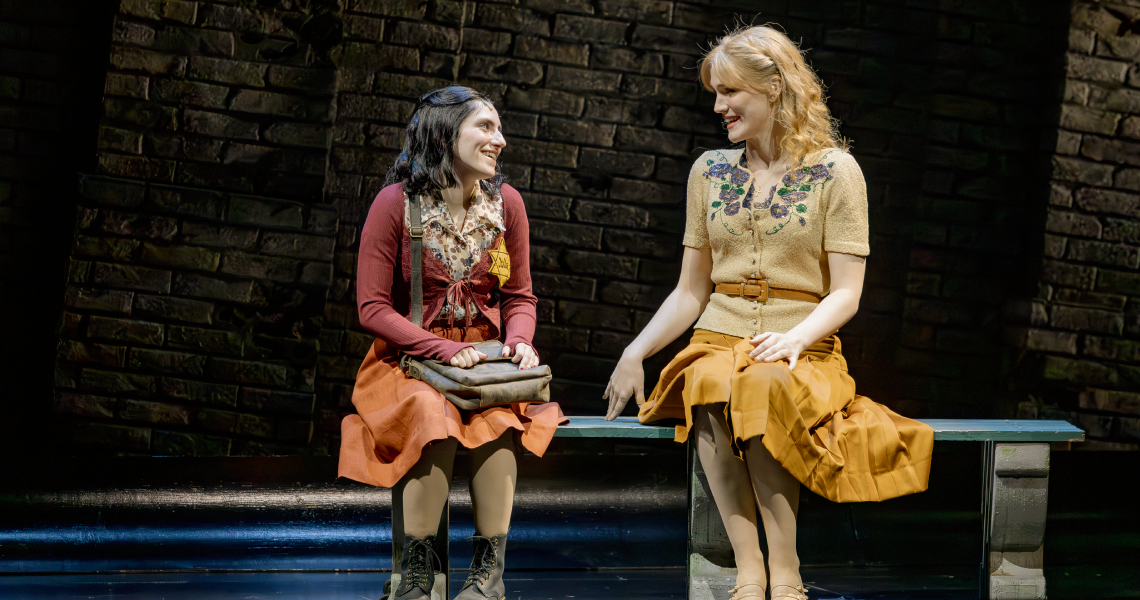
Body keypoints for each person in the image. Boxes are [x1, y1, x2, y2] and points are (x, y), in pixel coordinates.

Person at [603, 26, 934, 600]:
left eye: (730, 91)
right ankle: (748, 570)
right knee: (706, 380)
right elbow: (690, 291)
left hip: (804, 344)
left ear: (775, 87)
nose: (718, 106)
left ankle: (786, 575)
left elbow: (846, 294)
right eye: (715, 92)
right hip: (717, 336)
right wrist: (637, 351)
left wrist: (796, 338)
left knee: (760, 385)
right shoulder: (709, 172)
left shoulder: (836, 172)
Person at [339, 86, 566, 600]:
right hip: (411, 361)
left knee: (499, 420)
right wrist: (439, 350)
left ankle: (489, 575)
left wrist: (520, 343)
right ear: (445, 133)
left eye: (499, 128)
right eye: (485, 127)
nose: (499, 139)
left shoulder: (505, 204)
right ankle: (419, 574)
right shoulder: (396, 205)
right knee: (427, 412)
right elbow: (372, 308)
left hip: (483, 363)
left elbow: (521, 297)